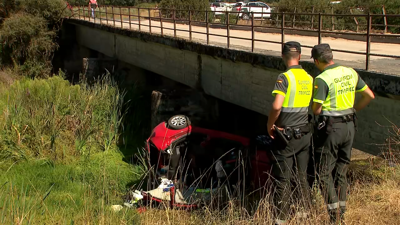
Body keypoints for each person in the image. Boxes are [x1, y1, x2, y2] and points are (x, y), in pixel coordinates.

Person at [310, 44, 375, 224]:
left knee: (323, 173)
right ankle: (342, 212)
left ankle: (334, 216)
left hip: (331, 129)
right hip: (349, 126)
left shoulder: (322, 78)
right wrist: (354, 110)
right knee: (341, 170)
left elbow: (316, 109)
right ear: (331, 57)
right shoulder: (350, 72)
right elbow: (369, 95)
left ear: (316, 61)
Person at [266, 41, 314, 225]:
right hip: (304, 133)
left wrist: (270, 124)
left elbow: (277, 105)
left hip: (286, 136)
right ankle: (304, 215)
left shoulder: (284, 77)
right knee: (301, 176)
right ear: (300, 56)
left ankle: (281, 219)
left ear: (283, 56)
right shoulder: (309, 78)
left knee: (282, 180)